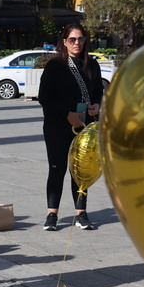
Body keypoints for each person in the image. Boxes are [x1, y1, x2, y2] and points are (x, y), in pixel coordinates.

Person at [37, 23, 104, 232]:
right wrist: (67, 114)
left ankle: (81, 213)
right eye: (72, 39)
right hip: (58, 125)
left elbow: (98, 92)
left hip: (86, 125)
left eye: (81, 39)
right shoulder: (55, 65)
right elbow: (44, 97)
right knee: (57, 169)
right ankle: (52, 214)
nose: (77, 43)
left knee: (81, 170)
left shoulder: (92, 65)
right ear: (64, 42)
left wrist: (96, 106)